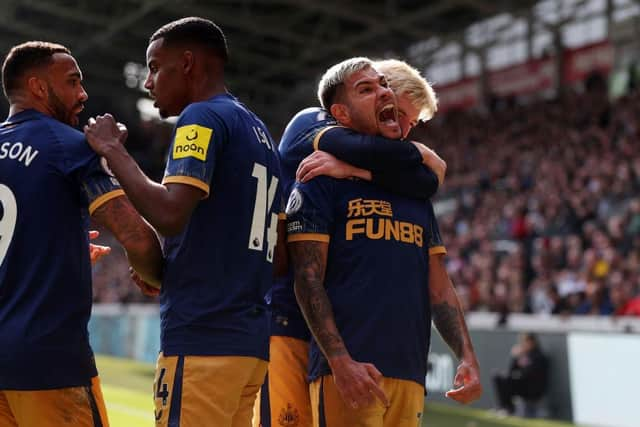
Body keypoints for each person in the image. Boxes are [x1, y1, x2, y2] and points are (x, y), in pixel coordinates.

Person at [83, 17, 282, 427]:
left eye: (155, 67)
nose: (148, 82)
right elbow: (275, 255)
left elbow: (171, 214)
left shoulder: (202, 118)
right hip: (250, 344)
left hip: (204, 336)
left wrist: (112, 152)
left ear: (188, 63)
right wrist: (177, 267)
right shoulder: (260, 132)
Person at [286, 58, 481, 427]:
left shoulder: (413, 189)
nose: (406, 128)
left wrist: (466, 355)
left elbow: (439, 286)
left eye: (382, 87)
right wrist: (339, 362)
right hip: (347, 369)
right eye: (368, 90)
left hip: (408, 371)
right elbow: (308, 279)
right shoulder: (320, 172)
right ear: (343, 113)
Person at [0, 41, 163, 427]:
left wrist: (52, 247)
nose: (83, 93)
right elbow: (135, 238)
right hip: (48, 362)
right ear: (39, 87)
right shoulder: (70, 147)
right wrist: (158, 272)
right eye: (73, 81)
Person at [492, 333, 549, 416]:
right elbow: (512, 370)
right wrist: (515, 357)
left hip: (533, 389)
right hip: (523, 385)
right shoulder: (523, 355)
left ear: (532, 342)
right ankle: (505, 407)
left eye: (525, 342)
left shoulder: (539, 356)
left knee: (508, 380)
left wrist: (519, 372)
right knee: (498, 377)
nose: (523, 344)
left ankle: (508, 409)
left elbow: (530, 374)